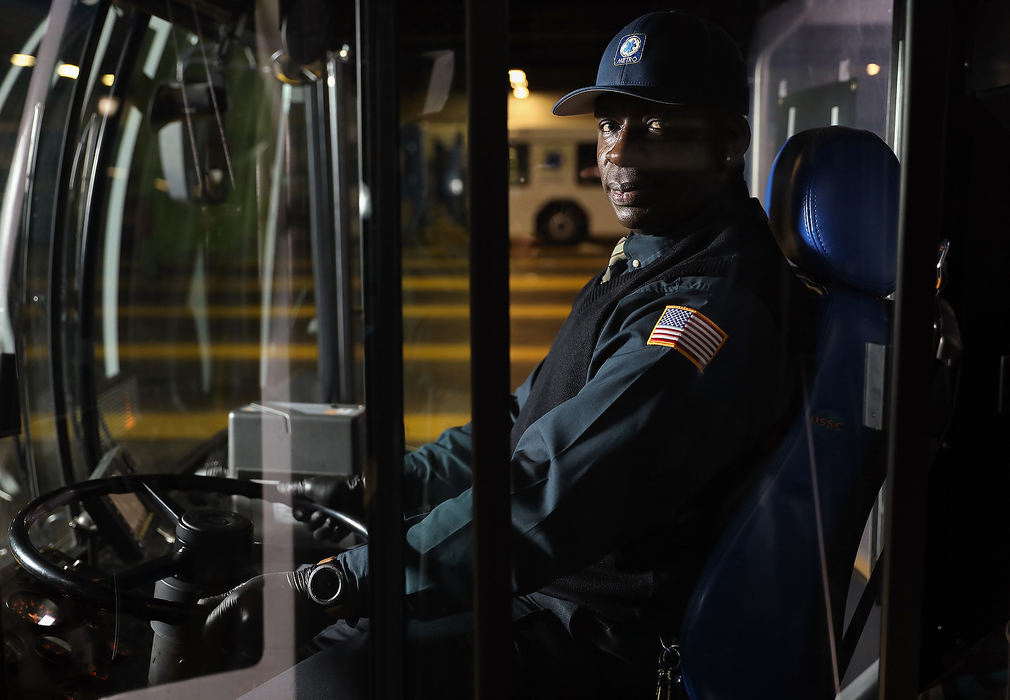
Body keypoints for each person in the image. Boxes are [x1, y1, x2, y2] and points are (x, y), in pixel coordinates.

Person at [211, 10, 810, 699]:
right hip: (543, 592)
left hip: (593, 635)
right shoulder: (651, 261)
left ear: (729, 142)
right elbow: (519, 422)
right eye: (610, 124)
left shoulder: (707, 311)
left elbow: (550, 486)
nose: (617, 152)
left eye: (653, 125)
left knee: (325, 682)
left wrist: (340, 581)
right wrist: (386, 489)